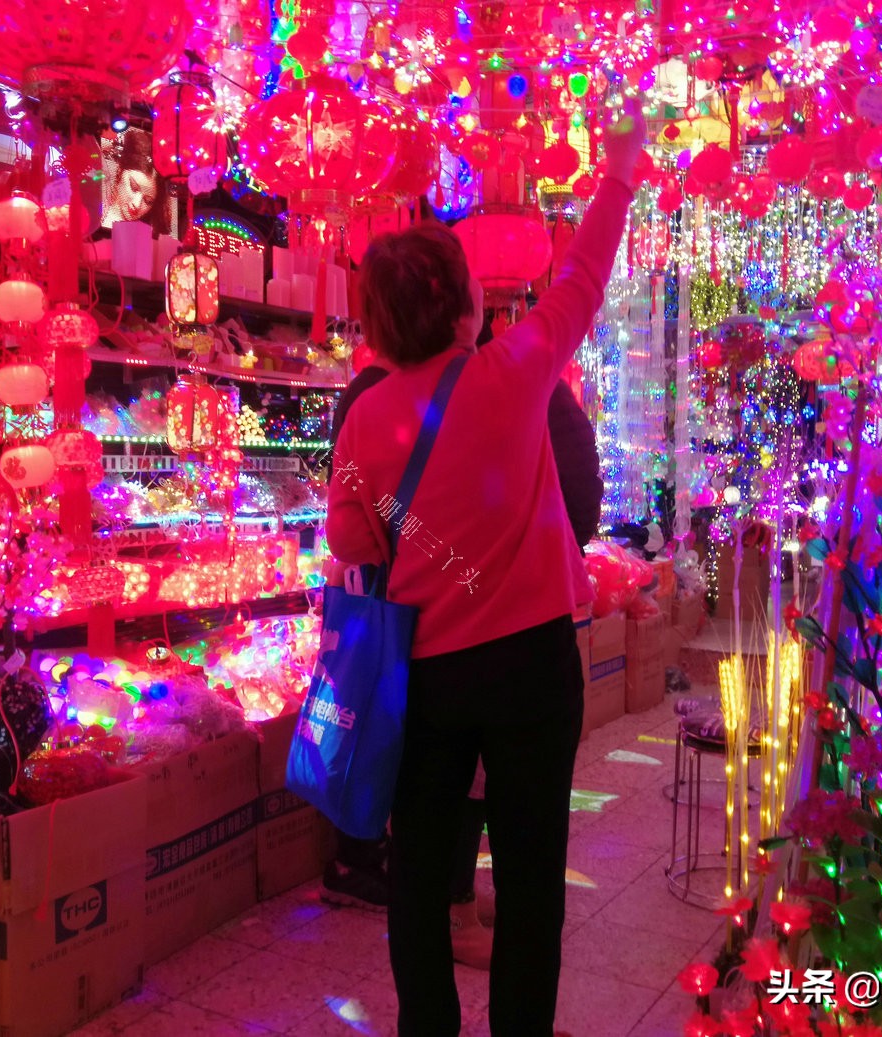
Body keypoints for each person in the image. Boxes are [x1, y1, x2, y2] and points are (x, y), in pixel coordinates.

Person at [326, 104, 643, 1037]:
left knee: (420, 872)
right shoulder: (515, 370)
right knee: (532, 873)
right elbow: (583, 275)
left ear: (378, 327)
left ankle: (428, 1026)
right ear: (465, 305)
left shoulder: (365, 419)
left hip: (422, 675)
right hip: (534, 670)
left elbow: (353, 542)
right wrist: (617, 171)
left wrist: (409, 530)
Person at [323, 368, 604, 977]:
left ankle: (421, 900)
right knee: (527, 857)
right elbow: (569, 496)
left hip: (421, 636)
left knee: (423, 834)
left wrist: (403, 549)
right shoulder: (511, 379)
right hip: (530, 631)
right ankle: (463, 919)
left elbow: (348, 534)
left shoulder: (373, 397)